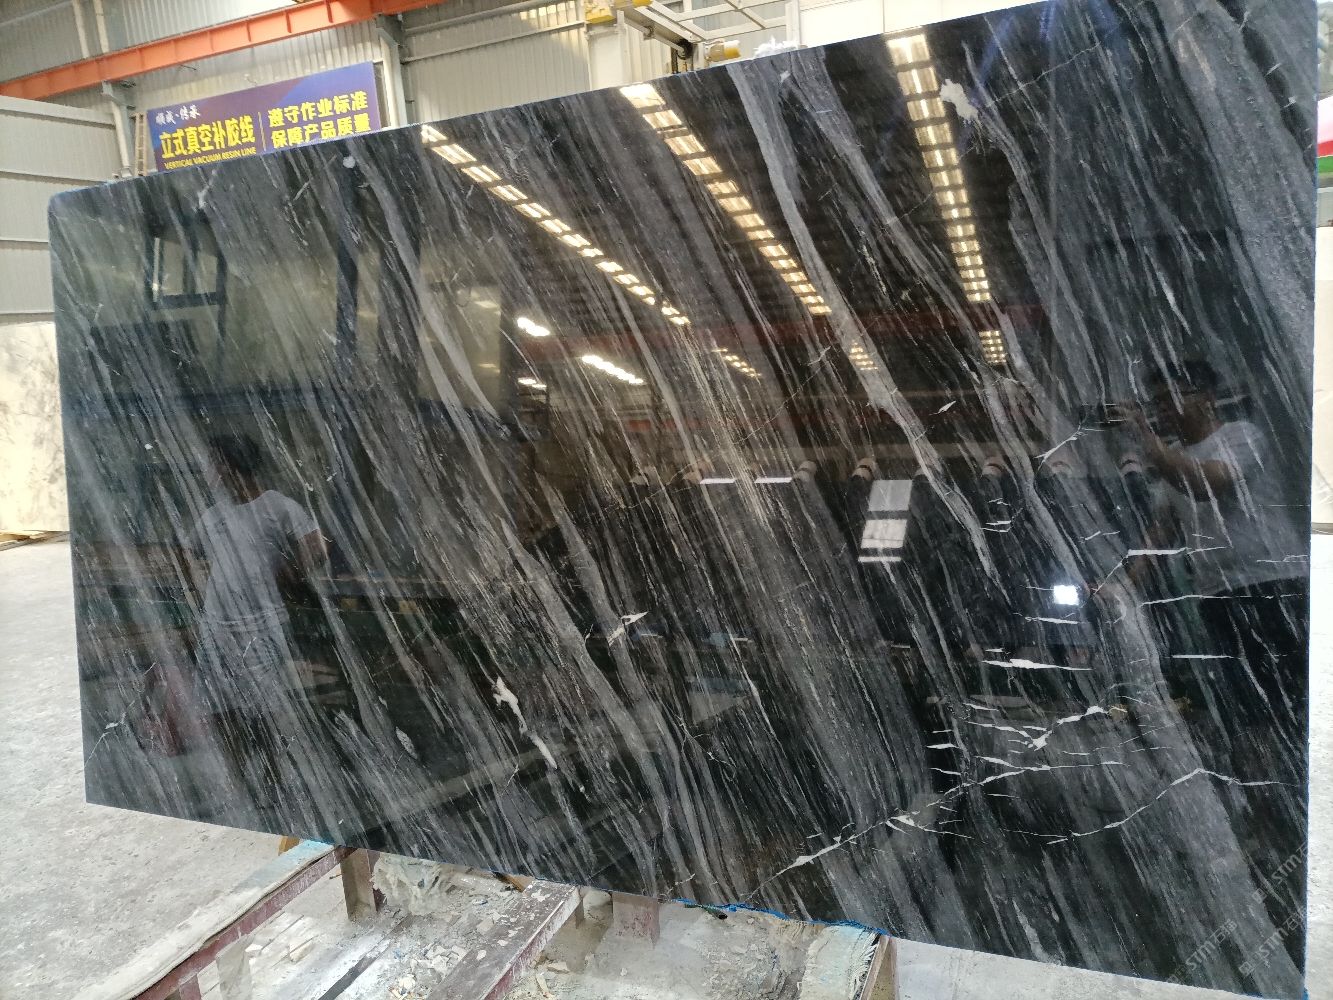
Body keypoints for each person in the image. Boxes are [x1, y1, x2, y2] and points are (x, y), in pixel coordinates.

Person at [186, 432, 327, 814]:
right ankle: (237, 782)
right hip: (217, 626)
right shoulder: (214, 515)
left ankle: (271, 780)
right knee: (219, 708)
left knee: (263, 708)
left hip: (261, 625)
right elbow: (188, 551)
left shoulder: (276, 505)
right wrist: (201, 588)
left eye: (214, 464)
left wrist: (291, 573)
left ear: (231, 466)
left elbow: (315, 544)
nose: (209, 473)